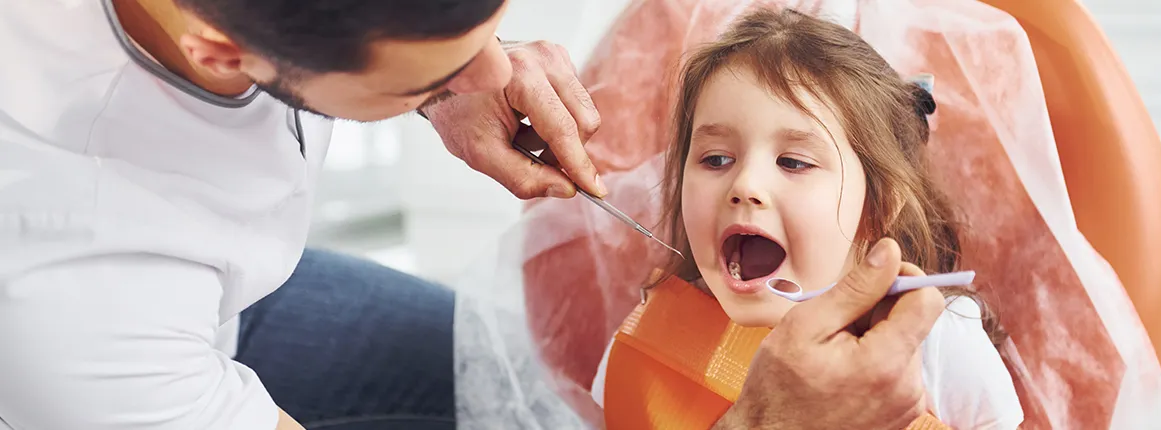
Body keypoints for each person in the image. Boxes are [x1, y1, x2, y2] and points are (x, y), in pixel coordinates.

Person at [0, 0, 963, 429]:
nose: (505, 75)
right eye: (713, 156)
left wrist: (434, 75)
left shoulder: (950, 361)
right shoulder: (78, 294)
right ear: (222, 50)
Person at [590, 8, 1023, 429]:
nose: (745, 185)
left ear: (880, 202)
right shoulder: (648, 336)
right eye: (716, 158)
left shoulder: (942, 346)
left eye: (794, 162)